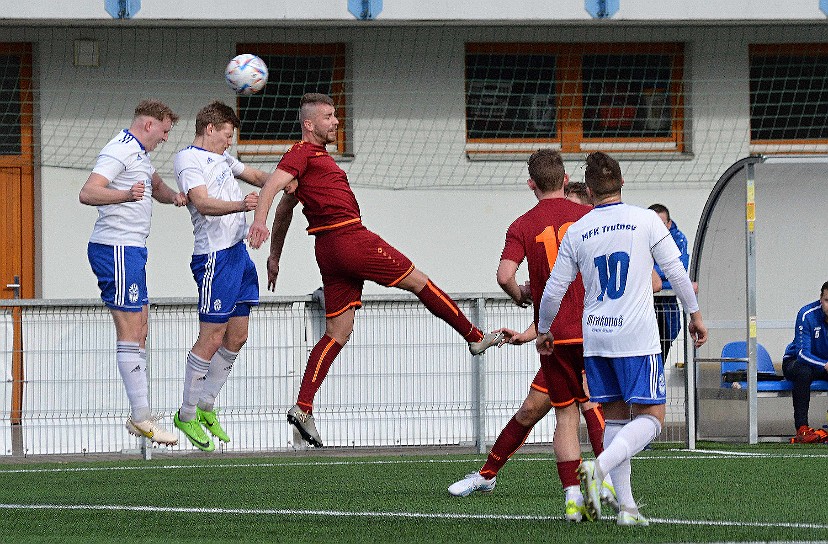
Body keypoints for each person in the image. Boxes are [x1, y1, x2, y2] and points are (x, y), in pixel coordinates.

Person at [246, 92, 502, 447]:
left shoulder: (312, 162)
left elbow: (286, 208)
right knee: (419, 281)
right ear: (309, 124)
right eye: (329, 117)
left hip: (330, 250)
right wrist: (258, 223)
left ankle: (303, 407)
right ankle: (474, 337)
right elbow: (272, 188)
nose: (336, 122)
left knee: (337, 332)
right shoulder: (300, 152)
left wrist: (275, 256)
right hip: (350, 238)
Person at [536, 151, 707, 526]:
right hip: (637, 338)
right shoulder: (646, 220)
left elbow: (554, 290)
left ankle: (627, 509)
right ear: (622, 183)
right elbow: (677, 272)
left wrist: (545, 328)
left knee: (614, 420)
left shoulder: (579, 229)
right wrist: (694, 314)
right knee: (653, 418)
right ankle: (598, 470)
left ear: (590, 190)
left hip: (596, 338)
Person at [447, 149, 615, 522]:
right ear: (566, 178)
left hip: (554, 339)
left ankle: (596, 490)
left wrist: (522, 296)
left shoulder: (523, 224)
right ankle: (489, 476)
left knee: (574, 413)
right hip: (583, 333)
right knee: (543, 410)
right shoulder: (591, 217)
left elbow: (505, 276)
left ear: (531, 184)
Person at [79, 99, 187, 446]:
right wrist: (125, 195)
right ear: (149, 125)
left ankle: (141, 415)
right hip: (116, 248)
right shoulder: (119, 150)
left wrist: (176, 197)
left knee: (140, 327)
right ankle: (141, 417)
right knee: (130, 329)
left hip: (131, 251)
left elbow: (155, 186)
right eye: (165, 131)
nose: (166, 139)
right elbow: (88, 192)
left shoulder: (140, 154)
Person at [172, 101, 271, 451]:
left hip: (239, 255)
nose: (229, 142)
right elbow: (202, 203)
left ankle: (205, 406)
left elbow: (257, 177)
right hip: (214, 257)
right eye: (226, 136)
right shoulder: (188, 159)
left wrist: (291, 180)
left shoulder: (224, 158)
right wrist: (243, 205)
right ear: (210, 129)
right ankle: (185, 415)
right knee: (212, 337)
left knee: (238, 337)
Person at [782, 281, 828, 444]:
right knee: (804, 372)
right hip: (796, 362)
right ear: (820, 299)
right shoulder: (806, 314)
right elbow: (802, 354)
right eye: (827, 300)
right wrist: (825, 365)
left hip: (825, 365)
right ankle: (802, 428)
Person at [648, 204, 690, 362]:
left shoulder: (678, 239)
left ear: (669, 224)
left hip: (667, 308)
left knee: (662, 350)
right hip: (646, 308)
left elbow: (678, 270)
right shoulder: (641, 238)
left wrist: (652, 276)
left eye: (661, 223)